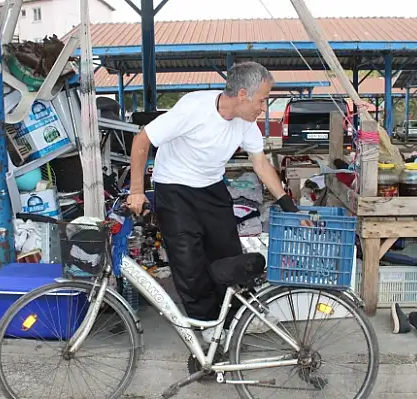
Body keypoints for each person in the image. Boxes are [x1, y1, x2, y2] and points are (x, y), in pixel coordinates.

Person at [126, 61, 298, 342]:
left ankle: (235, 318)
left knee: (228, 258)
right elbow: (142, 140)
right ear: (242, 95)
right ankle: (207, 330)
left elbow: (261, 165)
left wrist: (289, 206)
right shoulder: (194, 108)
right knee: (190, 266)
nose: (263, 108)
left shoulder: (246, 124)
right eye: (262, 100)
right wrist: (136, 190)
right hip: (175, 190)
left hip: (212, 189)